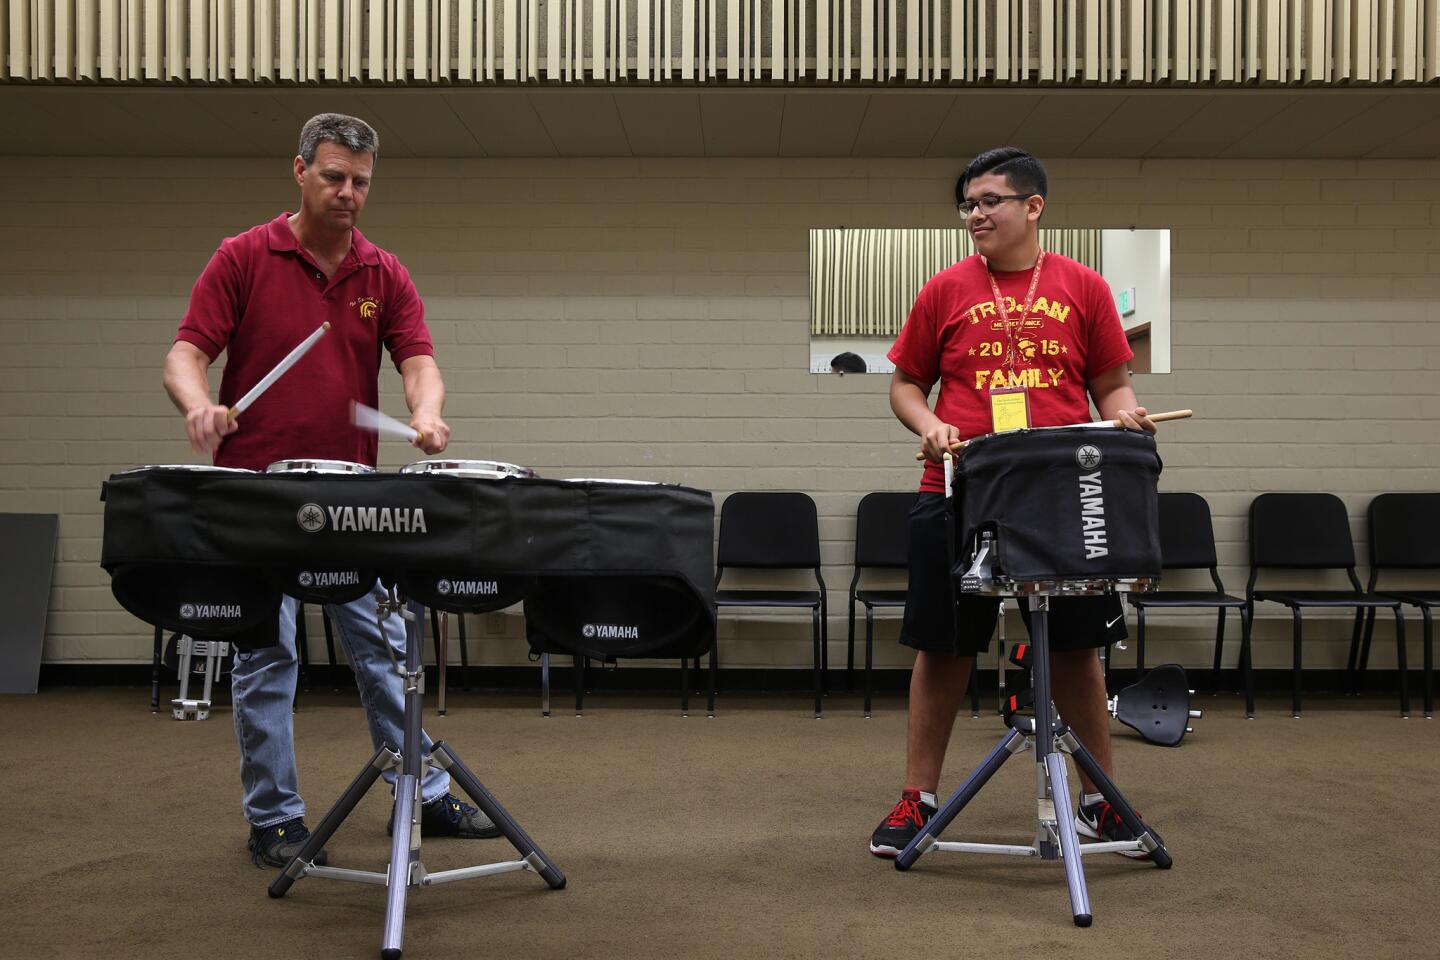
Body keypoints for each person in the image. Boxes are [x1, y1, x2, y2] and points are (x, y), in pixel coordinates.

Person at [163, 113, 499, 868]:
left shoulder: (383, 272)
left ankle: (424, 791)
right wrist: (198, 406)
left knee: (383, 651)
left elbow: (418, 359)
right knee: (265, 656)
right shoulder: (244, 256)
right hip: (257, 498)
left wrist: (426, 411)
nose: (349, 194)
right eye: (334, 177)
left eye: (362, 183)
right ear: (300, 171)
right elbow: (186, 354)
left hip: (347, 497)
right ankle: (275, 819)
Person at [869, 147, 1158, 858]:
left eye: (990, 200)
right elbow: (905, 384)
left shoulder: (1083, 287)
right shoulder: (944, 289)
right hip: (959, 491)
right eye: (968, 203)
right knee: (944, 649)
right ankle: (918, 799)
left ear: (1033, 207)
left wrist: (1126, 412)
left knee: (1077, 650)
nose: (975, 214)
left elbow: (1111, 384)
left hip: (1062, 495)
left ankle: (1100, 802)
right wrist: (929, 423)